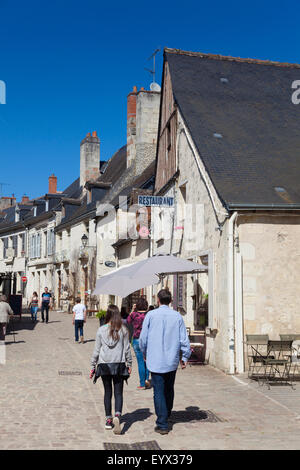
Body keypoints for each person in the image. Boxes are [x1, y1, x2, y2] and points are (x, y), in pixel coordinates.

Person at [139, 289, 191, 435]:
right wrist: (185, 357)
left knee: (159, 391)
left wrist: (144, 353)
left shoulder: (150, 315)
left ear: (158, 300)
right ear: (171, 300)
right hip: (171, 359)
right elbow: (184, 339)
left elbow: (143, 339)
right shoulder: (177, 317)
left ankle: (162, 423)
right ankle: (166, 414)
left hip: (155, 359)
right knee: (169, 388)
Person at [90, 305, 132, 434]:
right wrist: (129, 364)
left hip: (104, 365)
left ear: (107, 315)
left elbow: (97, 350)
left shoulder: (101, 330)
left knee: (107, 392)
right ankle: (117, 416)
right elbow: (127, 349)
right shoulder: (123, 330)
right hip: (119, 365)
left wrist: (93, 366)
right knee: (118, 392)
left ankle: (108, 420)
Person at [127, 298, 150, 390]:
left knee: (140, 362)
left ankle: (142, 383)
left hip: (137, 339)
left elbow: (127, 321)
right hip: (148, 340)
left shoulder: (134, 315)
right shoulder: (149, 315)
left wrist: (132, 310)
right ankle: (147, 379)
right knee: (148, 361)